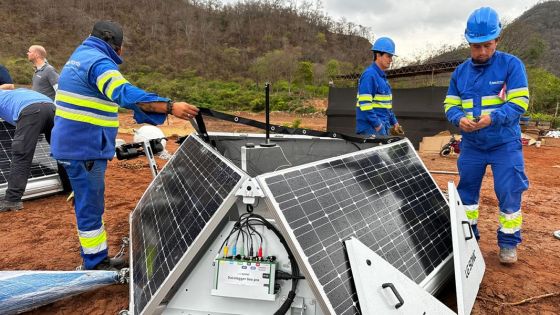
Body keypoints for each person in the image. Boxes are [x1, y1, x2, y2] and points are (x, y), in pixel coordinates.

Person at [50, 20, 199, 271]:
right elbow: (124, 94)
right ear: (113, 45)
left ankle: (82, 197)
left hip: (75, 144)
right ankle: (96, 261)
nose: (122, 52)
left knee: (87, 197)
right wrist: (170, 106)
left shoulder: (81, 56)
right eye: (121, 47)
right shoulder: (98, 63)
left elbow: (106, 100)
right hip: (83, 148)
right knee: (91, 205)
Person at [443, 7, 529, 264]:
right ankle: (469, 239)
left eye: (487, 45)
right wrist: (459, 119)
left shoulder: (512, 65)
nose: (482, 52)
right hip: (472, 145)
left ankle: (508, 242)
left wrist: (493, 118)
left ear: (497, 40)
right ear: (469, 42)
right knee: (466, 194)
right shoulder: (460, 72)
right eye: (476, 46)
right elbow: (450, 104)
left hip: (504, 143)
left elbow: (519, 103)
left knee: (509, 190)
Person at [0, 89, 56, 212]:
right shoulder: (12, 93)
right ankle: (71, 187)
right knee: (61, 151)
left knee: (21, 153)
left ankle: (13, 200)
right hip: (52, 107)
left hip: (31, 112)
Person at [355, 37, 400, 137]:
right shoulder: (370, 75)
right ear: (378, 55)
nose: (391, 60)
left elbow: (386, 106)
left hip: (382, 127)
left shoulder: (382, 77)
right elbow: (365, 104)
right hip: (371, 130)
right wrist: (378, 125)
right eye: (388, 56)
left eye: (391, 57)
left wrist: (395, 123)